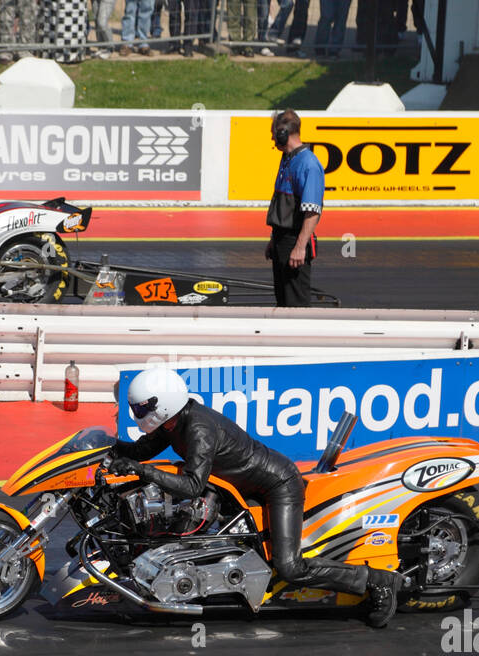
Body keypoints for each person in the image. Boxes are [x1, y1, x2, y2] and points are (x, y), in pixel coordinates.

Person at [107, 368, 403, 627]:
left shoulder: (198, 427)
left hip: (278, 484)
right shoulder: (172, 423)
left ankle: (379, 581)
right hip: (242, 485)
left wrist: (141, 471)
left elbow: (192, 485)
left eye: (143, 409)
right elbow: (138, 450)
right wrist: (101, 449)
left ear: (163, 406)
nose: (138, 415)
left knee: (289, 566)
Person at [264, 109, 323, 308]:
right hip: (282, 241)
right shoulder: (288, 159)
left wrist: (299, 247)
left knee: (295, 304)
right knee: (282, 301)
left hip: (294, 243)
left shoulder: (308, 164)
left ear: (283, 133)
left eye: (274, 134)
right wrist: (274, 239)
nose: (273, 139)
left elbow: (312, 211)